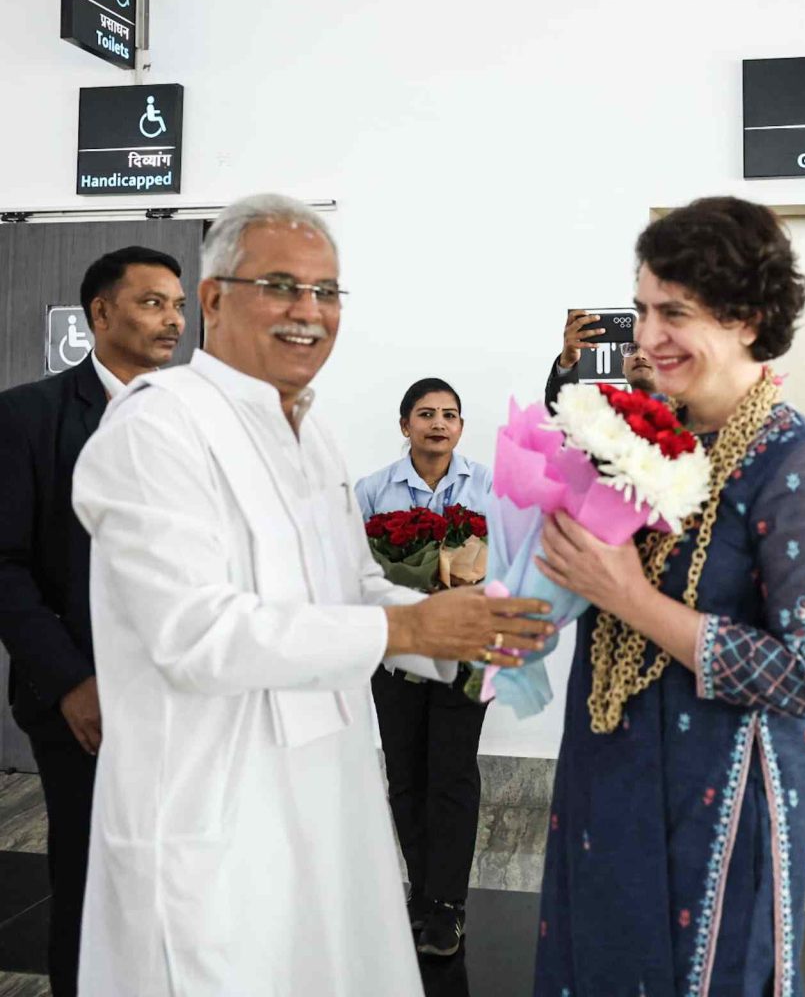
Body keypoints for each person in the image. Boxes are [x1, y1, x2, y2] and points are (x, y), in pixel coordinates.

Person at [70, 194, 551, 996]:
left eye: (327, 293)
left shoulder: (309, 431)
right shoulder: (156, 428)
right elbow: (197, 635)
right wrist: (406, 631)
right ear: (216, 298)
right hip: (211, 809)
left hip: (328, 796)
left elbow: (349, 582)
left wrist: (468, 633)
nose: (309, 312)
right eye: (283, 286)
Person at [531, 197, 805, 995]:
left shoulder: (796, 464)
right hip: (608, 765)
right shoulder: (636, 434)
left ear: (746, 318)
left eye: (673, 312)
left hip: (718, 795)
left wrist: (630, 596)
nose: (646, 337)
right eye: (642, 308)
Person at [0, 246, 185, 997]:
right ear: (100, 313)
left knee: (177, 885)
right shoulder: (29, 416)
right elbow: (4, 564)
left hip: (185, 694)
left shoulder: (193, 419)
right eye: (151, 303)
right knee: (91, 886)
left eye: (178, 304)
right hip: (87, 703)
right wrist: (74, 681)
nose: (173, 319)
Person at [356, 378, 493, 957]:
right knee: (406, 775)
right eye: (426, 413)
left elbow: (512, 558)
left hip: (467, 654)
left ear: (460, 427)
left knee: (452, 774)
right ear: (404, 423)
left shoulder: (487, 485)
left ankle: (448, 905)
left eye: (450, 415)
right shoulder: (371, 489)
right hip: (396, 656)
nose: (439, 423)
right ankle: (420, 890)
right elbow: (351, 568)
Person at [544, 308, 655, 411]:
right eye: (631, 348)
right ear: (623, 366)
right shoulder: (602, 416)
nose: (640, 355)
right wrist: (567, 363)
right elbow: (560, 418)